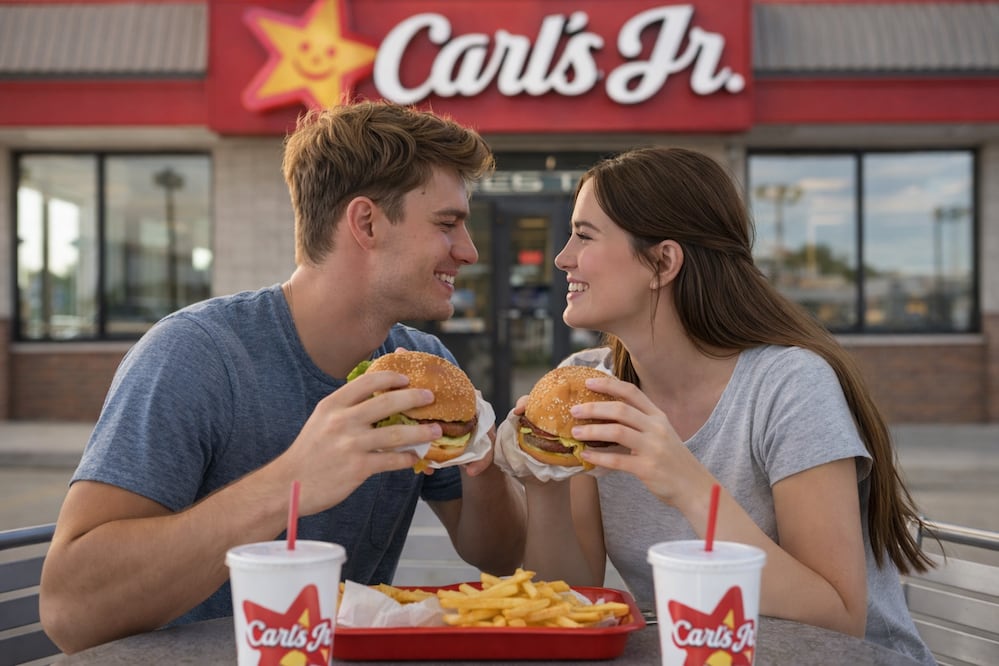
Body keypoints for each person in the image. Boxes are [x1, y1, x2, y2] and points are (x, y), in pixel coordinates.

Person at [40, 100, 526, 654]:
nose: (468, 250)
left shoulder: (425, 363)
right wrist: (292, 482)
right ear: (366, 222)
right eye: (447, 224)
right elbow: (68, 610)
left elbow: (499, 556)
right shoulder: (196, 355)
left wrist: (481, 465)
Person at [513, 147, 935, 664]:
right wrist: (543, 482)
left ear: (663, 261)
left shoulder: (789, 385)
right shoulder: (590, 385)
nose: (563, 257)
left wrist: (688, 485)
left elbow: (838, 614)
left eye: (585, 235)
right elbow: (570, 597)